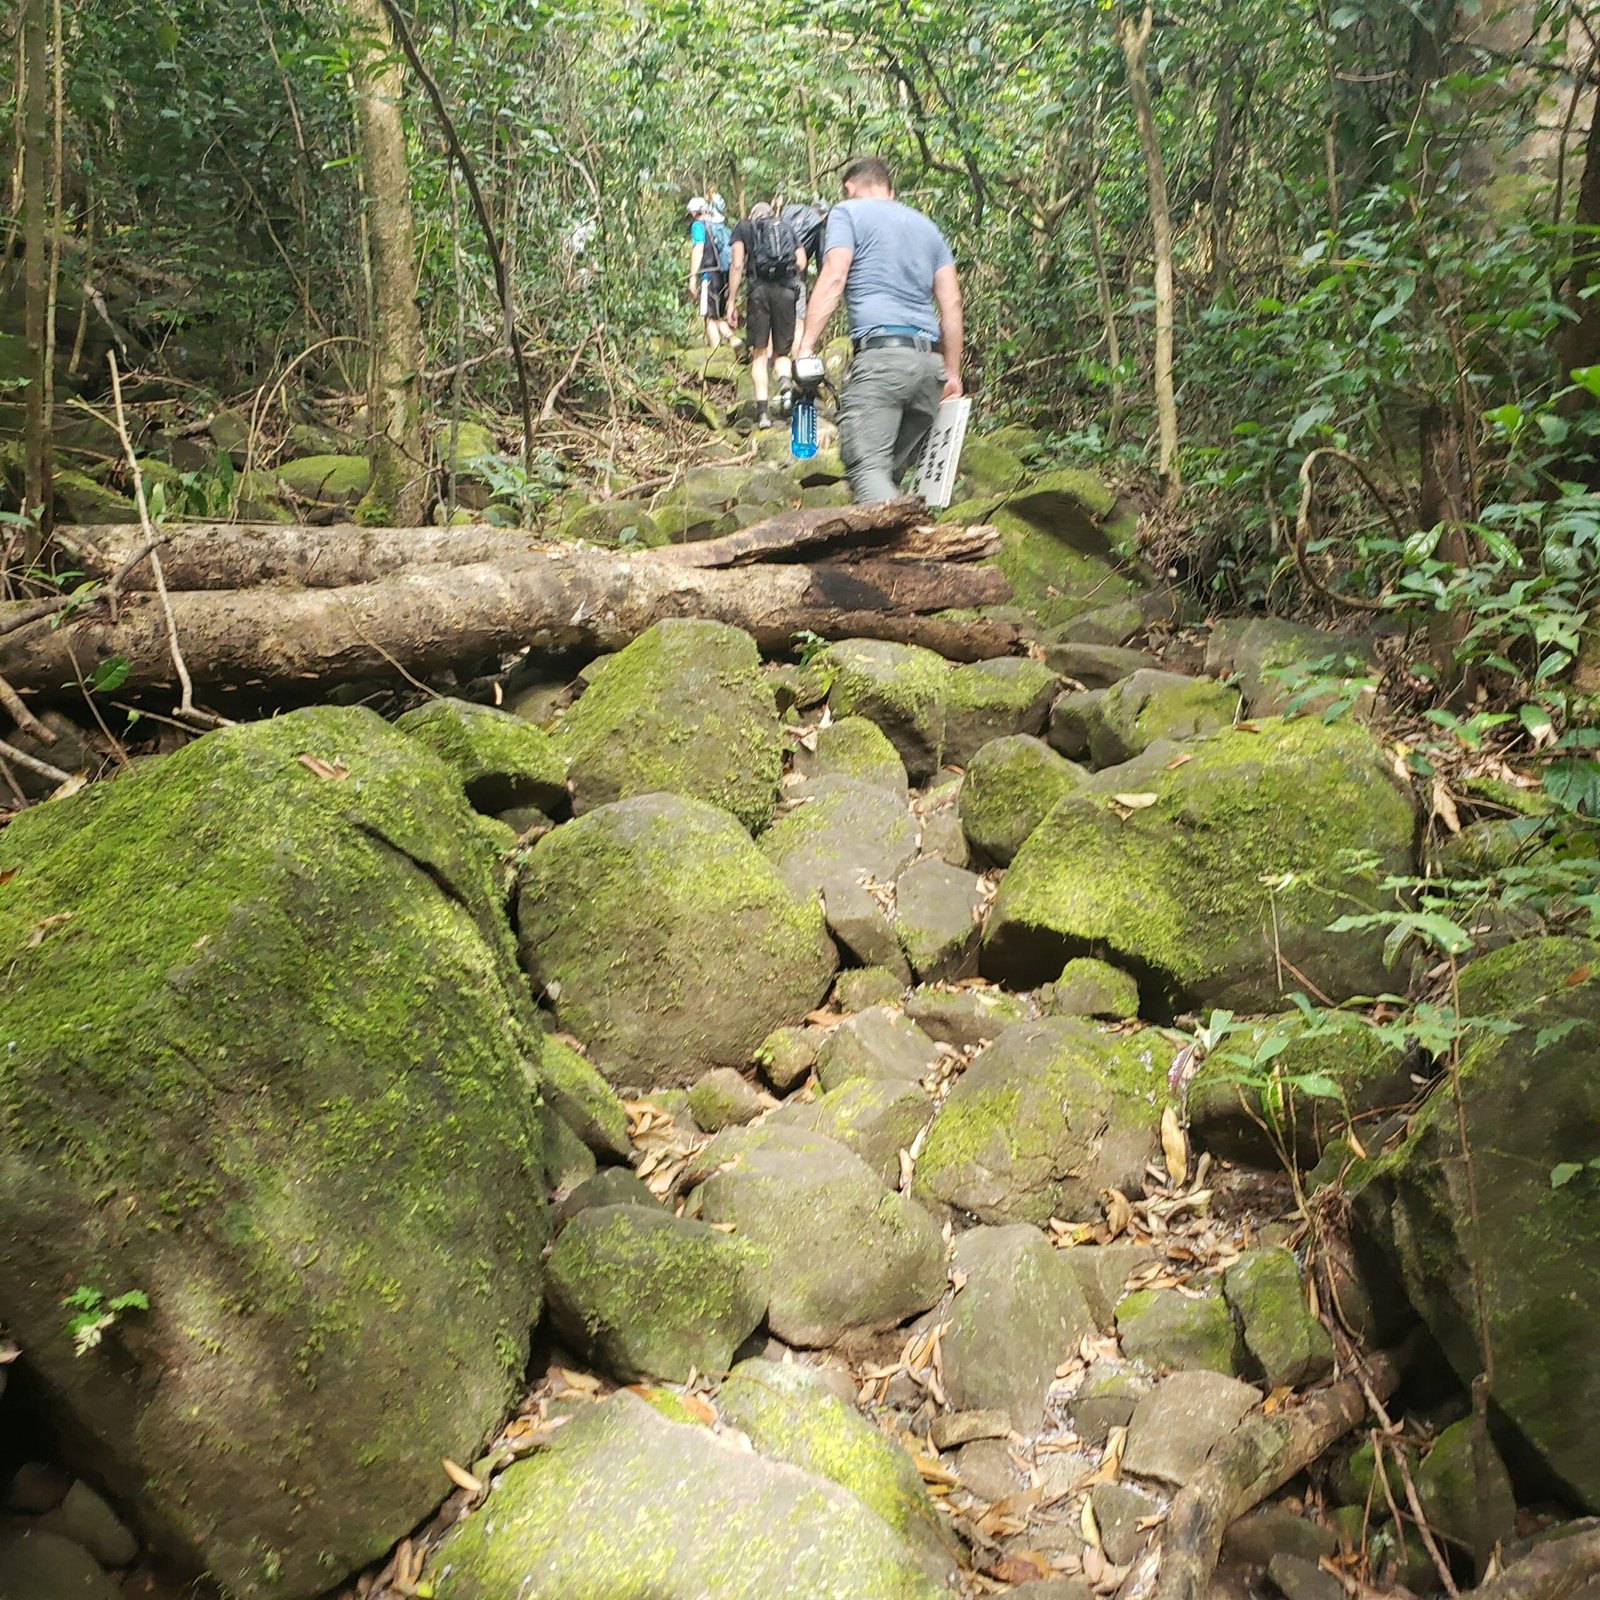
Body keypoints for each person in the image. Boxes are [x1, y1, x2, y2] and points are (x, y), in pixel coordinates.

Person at [796, 156, 963, 504]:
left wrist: (806, 348)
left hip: (882, 362)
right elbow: (952, 304)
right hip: (928, 369)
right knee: (887, 474)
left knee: (867, 469)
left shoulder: (847, 212)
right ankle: (900, 533)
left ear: (849, 188)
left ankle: (912, 538)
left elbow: (835, 276)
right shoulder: (928, 227)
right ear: (890, 189)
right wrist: (952, 373)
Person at [725, 201, 803, 429]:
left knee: (759, 353)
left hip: (759, 292)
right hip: (786, 292)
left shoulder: (744, 227)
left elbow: (737, 265)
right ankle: (785, 383)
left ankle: (763, 415)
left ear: (754, 215)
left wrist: (731, 301)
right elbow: (801, 261)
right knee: (782, 352)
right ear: (771, 214)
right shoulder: (786, 227)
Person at [776, 194, 828, 354]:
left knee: (777, 319)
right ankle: (796, 358)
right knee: (799, 320)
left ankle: (772, 360)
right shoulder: (818, 225)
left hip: (774, 274)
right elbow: (821, 258)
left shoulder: (789, 213)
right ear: (824, 215)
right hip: (796, 276)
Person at [686, 196, 733, 350]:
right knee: (717, 315)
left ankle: (718, 351)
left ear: (694, 213)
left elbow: (698, 249)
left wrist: (692, 277)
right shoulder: (719, 226)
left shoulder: (698, 226)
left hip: (709, 275)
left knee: (709, 317)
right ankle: (732, 340)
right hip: (724, 275)